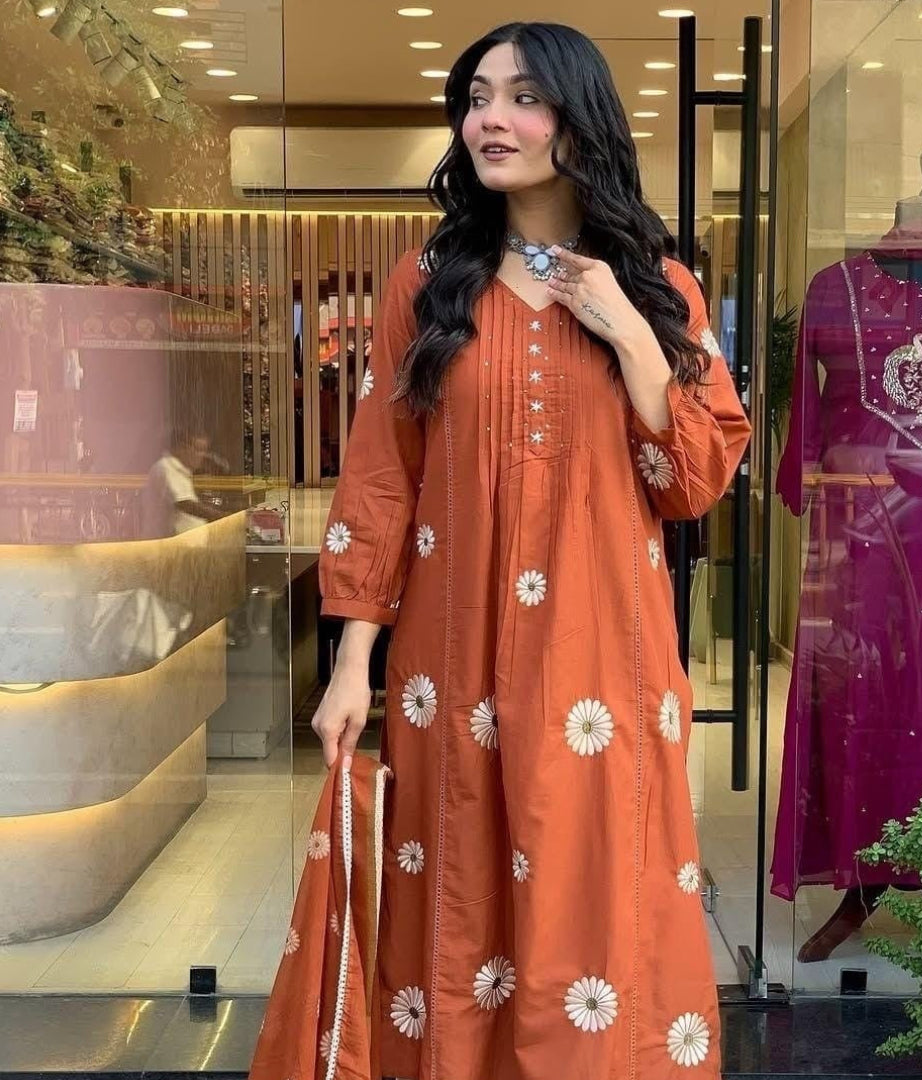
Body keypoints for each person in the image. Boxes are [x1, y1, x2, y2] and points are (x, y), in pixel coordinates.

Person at [311, 21, 751, 1080]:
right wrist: (351, 664)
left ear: (576, 117)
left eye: (520, 97)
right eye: (475, 97)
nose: (489, 120)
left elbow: (694, 478)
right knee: (459, 891)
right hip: (449, 658)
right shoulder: (430, 284)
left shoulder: (660, 286)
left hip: (605, 656)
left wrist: (631, 332)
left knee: (591, 892)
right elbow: (381, 477)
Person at [140, 429, 224, 539]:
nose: (203, 455)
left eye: (205, 450)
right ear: (182, 447)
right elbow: (185, 504)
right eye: (199, 450)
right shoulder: (166, 467)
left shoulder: (182, 471)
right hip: (169, 548)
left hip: (185, 549)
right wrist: (224, 517)